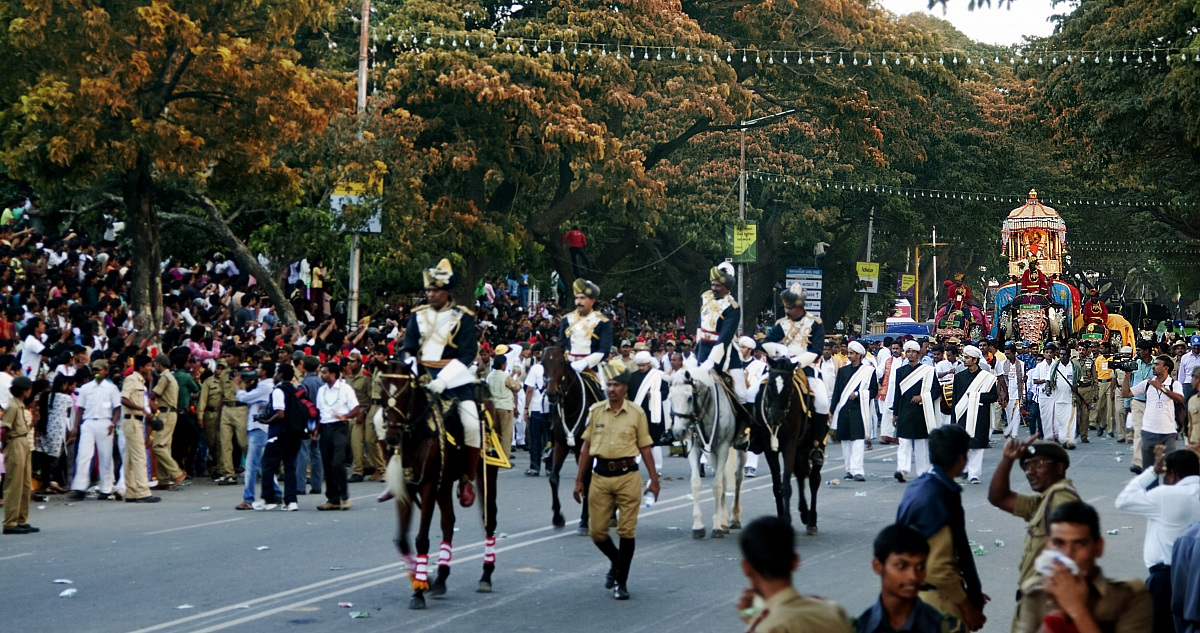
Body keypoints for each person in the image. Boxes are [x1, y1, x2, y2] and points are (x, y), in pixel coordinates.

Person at [572, 359, 660, 600]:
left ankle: (621, 582)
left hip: (628, 476)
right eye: (608, 385)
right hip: (599, 477)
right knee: (597, 532)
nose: (611, 389)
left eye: (616, 385)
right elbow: (586, 447)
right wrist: (579, 480)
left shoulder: (636, 413)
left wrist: (654, 480)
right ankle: (617, 561)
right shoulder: (595, 411)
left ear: (625, 388)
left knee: (626, 531)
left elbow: (645, 448)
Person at [400, 258, 481, 507]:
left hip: (454, 380)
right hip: (421, 378)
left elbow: (467, 354)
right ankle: (397, 473)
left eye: (435, 290)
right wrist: (413, 370)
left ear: (447, 292)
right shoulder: (418, 315)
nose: (431, 294)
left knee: (471, 423)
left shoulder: (463, 317)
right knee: (385, 419)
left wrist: (443, 380)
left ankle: (467, 478)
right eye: (428, 290)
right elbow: (408, 348)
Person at [895, 425, 987, 630]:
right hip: (936, 602)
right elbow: (939, 570)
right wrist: (967, 606)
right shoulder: (938, 498)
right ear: (961, 459)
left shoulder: (921, 486)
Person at [1014, 501, 1153, 633]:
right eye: (1059, 543)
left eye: (1079, 544)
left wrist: (1077, 610)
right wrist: (1057, 614)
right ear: (1047, 546)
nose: (1068, 555)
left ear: (1098, 547)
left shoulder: (1128, 597)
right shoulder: (1035, 593)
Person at [1114, 447, 1200, 633]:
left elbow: (1124, 500)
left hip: (1166, 578)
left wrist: (1152, 471)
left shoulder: (1166, 495)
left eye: (1165, 475)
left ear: (1173, 474)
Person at [987, 437, 1080, 595]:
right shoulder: (1044, 500)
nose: (1031, 472)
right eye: (1027, 466)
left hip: (1045, 600)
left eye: (1039, 464)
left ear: (1059, 467)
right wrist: (1007, 460)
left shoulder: (1061, 497)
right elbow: (999, 498)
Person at [734, 515, 853, 632]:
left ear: (746, 568)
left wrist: (756, 622)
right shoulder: (832, 611)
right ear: (795, 562)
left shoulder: (767, 627)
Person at [856, 523, 960, 633]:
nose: (913, 577)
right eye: (901, 566)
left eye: (920, 567)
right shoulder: (855, 628)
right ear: (878, 567)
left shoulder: (948, 628)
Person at [67, 360, 122, 501]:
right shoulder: (86, 388)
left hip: (105, 422)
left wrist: (113, 423)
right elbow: (80, 408)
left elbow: (117, 408)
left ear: (105, 370)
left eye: (99, 369)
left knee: (105, 456)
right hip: (88, 423)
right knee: (83, 455)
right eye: (93, 369)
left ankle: (106, 488)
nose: (96, 372)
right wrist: (75, 426)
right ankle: (79, 487)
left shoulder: (111, 388)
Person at [1124, 353, 1185, 470]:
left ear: (1166, 368)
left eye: (1157, 364)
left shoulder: (1174, 384)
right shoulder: (1147, 384)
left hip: (1168, 433)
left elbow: (1180, 399)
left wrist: (1160, 387)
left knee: (1170, 468)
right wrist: (1127, 376)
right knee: (1149, 471)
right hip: (1148, 432)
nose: (1153, 367)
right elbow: (1126, 394)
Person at [259, 364, 305, 511]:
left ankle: (269, 499)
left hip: (279, 434)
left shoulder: (278, 390)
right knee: (290, 467)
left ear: (280, 375)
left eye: (276, 373)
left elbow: (280, 414)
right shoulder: (294, 390)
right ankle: (291, 501)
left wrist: (266, 421)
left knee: (267, 465)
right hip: (294, 434)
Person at [949, 345, 998, 484]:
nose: (964, 360)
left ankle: (974, 474)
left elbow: (993, 397)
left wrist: (978, 397)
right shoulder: (959, 377)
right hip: (963, 415)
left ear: (975, 360)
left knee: (977, 445)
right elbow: (955, 398)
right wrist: (953, 420)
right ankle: (964, 468)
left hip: (980, 415)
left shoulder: (987, 377)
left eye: (967, 357)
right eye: (964, 357)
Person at [891, 340, 938, 483]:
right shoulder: (900, 372)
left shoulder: (928, 371)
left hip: (921, 411)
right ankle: (902, 470)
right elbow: (897, 394)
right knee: (904, 442)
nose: (910, 354)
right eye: (908, 351)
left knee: (920, 443)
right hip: (904, 410)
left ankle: (922, 472)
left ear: (918, 354)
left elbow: (936, 390)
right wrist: (895, 413)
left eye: (913, 352)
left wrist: (922, 397)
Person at [831, 341, 878, 482]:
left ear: (859, 355)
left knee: (857, 439)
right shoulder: (843, 371)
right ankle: (849, 469)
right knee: (845, 440)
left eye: (852, 353)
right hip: (844, 410)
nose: (849, 355)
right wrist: (832, 410)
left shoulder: (869, 371)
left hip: (859, 409)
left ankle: (857, 470)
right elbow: (837, 392)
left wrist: (858, 394)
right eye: (849, 353)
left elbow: (874, 390)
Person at [233, 360, 278, 510]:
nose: (257, 370)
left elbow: (244, 398)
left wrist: (237, 386)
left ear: (264, 371)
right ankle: (277, 493)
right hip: (259, 427)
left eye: (259, 368)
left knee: (251, 465)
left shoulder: (266, 386)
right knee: (261, 464)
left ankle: (249, 499)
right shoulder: (264, 385)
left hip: (259, 428)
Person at [314, 361, 359, 511]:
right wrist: (315, 430)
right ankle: (332, 499)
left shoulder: (345, 389)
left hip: (340, 427)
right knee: (327, 463)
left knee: (337, 462)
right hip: (325, 428)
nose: (322, 375)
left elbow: (356, 408)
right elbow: (319, 412)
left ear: (332, 374)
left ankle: (344, 496)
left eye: (324, 372)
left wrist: (345, 416)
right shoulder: (321, 391)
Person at [120, 354, 160, 503]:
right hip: (132, 420)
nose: (150, 369)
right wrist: (140, 410)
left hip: (136, 421)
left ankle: (131, 492)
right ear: (141, 367)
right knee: (139, 457)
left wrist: (150, 382)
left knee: (130, 459)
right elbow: (123, 399)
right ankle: (143, 492)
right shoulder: (131, 380)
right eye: (148, 366)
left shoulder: (142, 382)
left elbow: (147, 400)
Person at [2, 376, 37, 533]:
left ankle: (21, 519)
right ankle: (10, 522)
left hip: (23, 442)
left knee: (25, 484)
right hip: (15, 442)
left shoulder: (20, 405)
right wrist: (5, 446)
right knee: (14, 484)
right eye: (28, 389)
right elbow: (4, 430)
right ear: (23, 391)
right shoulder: (12, 406)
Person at [557, 278, 613, 377]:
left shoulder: (602, 322)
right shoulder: (567, 319)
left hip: (592, 368)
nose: (578, 302)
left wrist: (585, 362)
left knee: (606, 390)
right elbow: (560, 344)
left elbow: (604, 349)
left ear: (592, 301)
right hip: (568, 367)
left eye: (582, 298)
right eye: (576, 298)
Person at [696, 263, 742, 380]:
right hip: (703, 348)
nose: (713, 288)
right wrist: (697, 347)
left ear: (727, 287)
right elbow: (700, 325)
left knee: (741, 392)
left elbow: (725, 337)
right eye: (712, 285)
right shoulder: (705, 298)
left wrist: (712, 360)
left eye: (718, 286)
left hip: (725, 352)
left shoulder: (733, 307)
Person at [150, 354, 187, 489]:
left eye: (155, 365)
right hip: (171, 413)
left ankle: (177, 473)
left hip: (166, 413)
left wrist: (149, 381)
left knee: (158, 446)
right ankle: (163, 480)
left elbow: (153, 395)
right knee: (164, 447)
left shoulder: (164, 378)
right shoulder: (171, 377)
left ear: (159, 365)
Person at [628, 350, 666, 476]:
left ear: (648, 364)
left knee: (655, 441)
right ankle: (634, 465)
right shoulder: (632, 377)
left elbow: (666, 392)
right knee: (636, 440)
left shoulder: (658, 375)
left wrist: (655, 395)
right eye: (639, 366)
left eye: (643, 365)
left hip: (653, 413)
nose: (641, 368)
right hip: (638, 413)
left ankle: (657, 467)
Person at [1041, 343, 1081, 450]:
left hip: (1070, 398)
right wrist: (1048, 388)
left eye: (1064, 355)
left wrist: (1077, 386)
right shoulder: (1055, 366)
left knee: (1071, 420)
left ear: (1068, 355)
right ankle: (1063, 439)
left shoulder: (1074, 367)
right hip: (1058, 397)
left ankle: (1070, 440)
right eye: (1061, 354)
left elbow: (1080, 380)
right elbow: (1048, 379)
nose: (1062, 356)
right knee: (1061, 421)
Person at [1125, 340, 1156, 471]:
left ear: (1147, 351)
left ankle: (1152, 460)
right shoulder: (1134, 364)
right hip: (1137, 402)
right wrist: (1127, 403)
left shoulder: (1157, 364)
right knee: (1138, 432)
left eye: (1139, 350)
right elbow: (1129, 382)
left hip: (1152, 403)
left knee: (1151, 432)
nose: (1137, 352)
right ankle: (1138, 462)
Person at [486, 354, 519, 463]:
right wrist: (517, 376)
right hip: (505, 407)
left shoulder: (490, 376)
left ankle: (495, 455)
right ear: (503, 364)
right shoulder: (505, 376)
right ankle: (505, 457)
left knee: (495, 433)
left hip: (493, 406)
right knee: (506, 433)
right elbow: (516, 387)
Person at [523, 344, 549, 477]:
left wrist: (526, 408)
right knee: (550, 440)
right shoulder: (554, 369)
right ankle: (550, 468)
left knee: (535, 439)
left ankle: (535, 467)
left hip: (537, 409)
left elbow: (529, 389)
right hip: (550, 409)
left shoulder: (536, 368)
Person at [996, 341, 1027, 439]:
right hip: (1006, 393)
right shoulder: (1002, 364)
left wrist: (1024, 394)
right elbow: (999, 380)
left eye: (1008, 353)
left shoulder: (1021, 364)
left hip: (1017, 392)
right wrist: (1000, 394)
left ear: (1014, 353)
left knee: (1016, 414)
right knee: (1009, 413)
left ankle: (1014, 433)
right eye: (1006, 353)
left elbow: (1023, 380)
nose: (1007, 355)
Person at [876, 341, 903, 444]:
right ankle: (887, 437)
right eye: (893, 348)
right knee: (887, 414)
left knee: (899, 413)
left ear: (901, 349)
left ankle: (898, 437)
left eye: (897, 348)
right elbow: (878, 372)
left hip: (900, 391)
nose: (895, 350)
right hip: (888, 392)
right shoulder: (887, 361)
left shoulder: (904, 361)